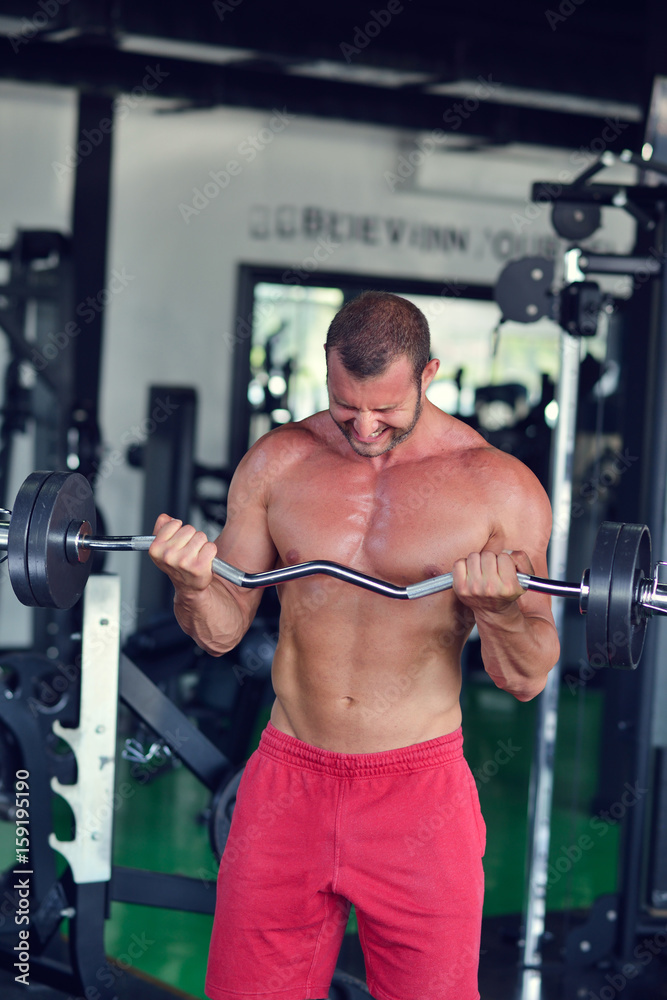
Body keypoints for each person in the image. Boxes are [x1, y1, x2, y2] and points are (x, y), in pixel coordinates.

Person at [149, 291, 560, 1000]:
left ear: (427, 373)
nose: (365, 427)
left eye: (387, 410)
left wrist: (501, 614)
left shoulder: (496, 488)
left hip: (417, 792)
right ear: (326, 370)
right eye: (347, 407)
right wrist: (190, 584)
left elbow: (525, 677)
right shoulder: (278, 463)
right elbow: (220, 632)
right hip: (286, 780)